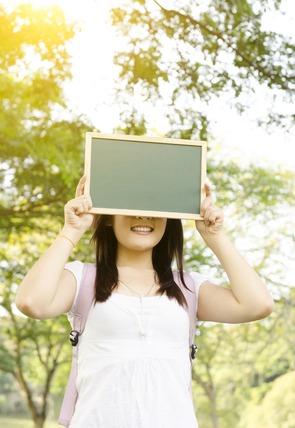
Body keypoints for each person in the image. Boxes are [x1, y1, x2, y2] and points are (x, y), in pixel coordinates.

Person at [15, 175, 274, 428]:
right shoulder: (82, 278)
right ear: (107, 217)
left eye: (153, 206)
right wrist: (71, 230)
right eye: (130, 206)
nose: (142, 216)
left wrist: (215, 236)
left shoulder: (188, 287)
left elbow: (257, 304)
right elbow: (31, 302)